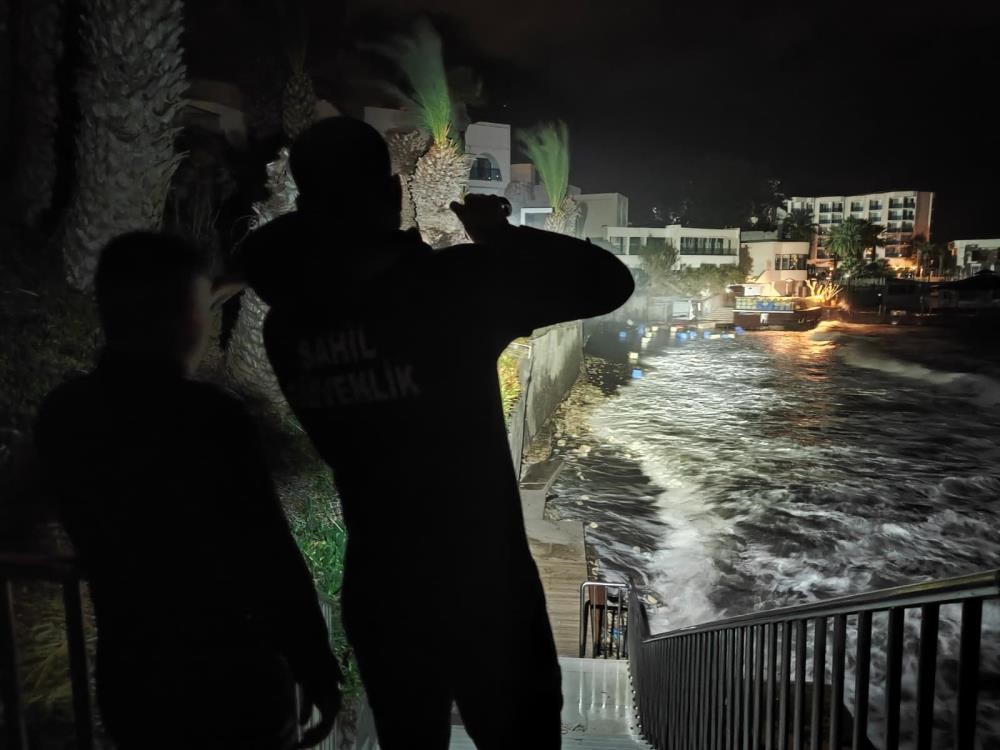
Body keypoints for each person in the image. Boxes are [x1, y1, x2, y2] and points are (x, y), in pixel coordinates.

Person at [237, 117, 634, 749]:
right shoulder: (450, 289)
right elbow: (609, 282)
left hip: (383, 585)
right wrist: (497, 235)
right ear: (395, 193)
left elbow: (268, 262)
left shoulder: (289, 328)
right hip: (485, 582)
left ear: (308, 206)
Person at [34, 232, 342, 749]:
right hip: (230, 674)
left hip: (133, 672)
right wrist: (314, 663)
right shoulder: (212, 419)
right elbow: (268, 553)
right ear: (191, 318)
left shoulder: (65, 414)